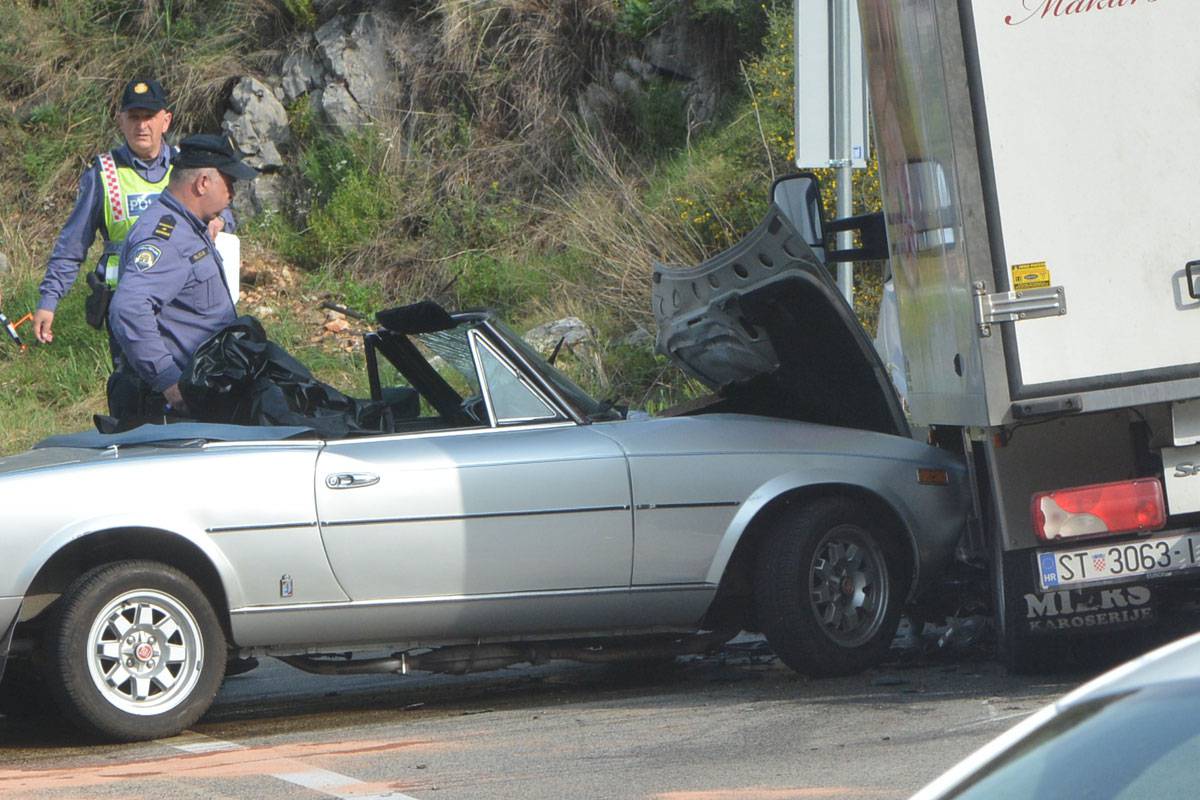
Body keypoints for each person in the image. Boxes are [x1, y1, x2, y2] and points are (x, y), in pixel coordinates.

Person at [34, 78, 234, 349]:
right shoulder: (103, 174)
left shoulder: (190, 165)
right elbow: (73, 244)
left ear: (166, 120)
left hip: (186, 305)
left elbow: (225, 211)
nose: (142, 125)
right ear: (121, 121)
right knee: (138, 385)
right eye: (134, 117)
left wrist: (221, 221)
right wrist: (49, 301)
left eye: (149, 116)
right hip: (129, 307)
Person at [107, 133, 256, 419]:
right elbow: (128, 309)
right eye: (229, 183)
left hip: (206, 393)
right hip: (178, 411)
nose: (233, 194)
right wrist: (170, 383)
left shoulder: (190, 226)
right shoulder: (167, 237)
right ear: (203, 183)